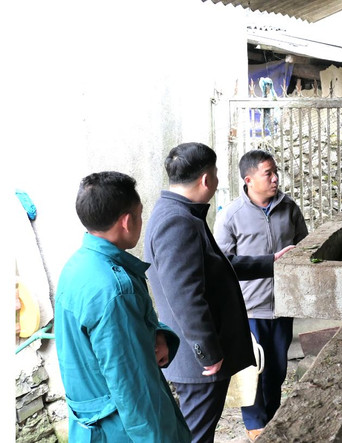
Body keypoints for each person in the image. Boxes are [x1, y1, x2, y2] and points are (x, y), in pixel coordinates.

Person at [143, 142, 291, 442]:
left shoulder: (180, 211)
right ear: (207, 179)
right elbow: (186, 296)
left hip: (200, 361)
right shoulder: (177, 221)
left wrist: (269, 262)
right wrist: (208, 353)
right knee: (195, 435)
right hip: (199, 365)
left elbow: (217, 268)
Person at [54, 171, 191, 442]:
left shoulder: (77, 266)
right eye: (140, 214)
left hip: (90, 425)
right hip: (122, 430)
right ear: (127, 221)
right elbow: (133, 388)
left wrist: (157, 334)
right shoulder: (115, 290)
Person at [214, 149, 308, 441]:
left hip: (282, 307)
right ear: (249, 179)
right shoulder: (231, 216)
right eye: (268, 173)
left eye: (275, 171)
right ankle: (256, 429)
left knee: (276, 372)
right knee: (251, 371)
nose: (275, 178)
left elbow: (305, 247)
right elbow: (222, 264)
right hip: (249, 310)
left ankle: (273, 422)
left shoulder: (289, 208)